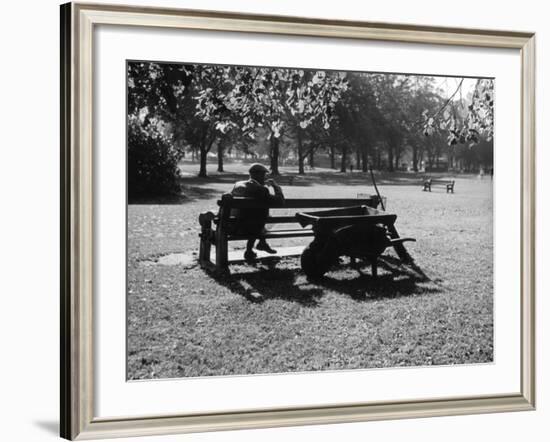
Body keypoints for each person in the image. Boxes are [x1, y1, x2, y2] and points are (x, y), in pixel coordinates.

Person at [230, 163, 285, 261]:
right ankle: (261, 244)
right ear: (259, 175)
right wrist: (276, 186)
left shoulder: (238, 185)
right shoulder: (261, 190)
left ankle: (255, 247)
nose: (265, 177)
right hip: (250, 229)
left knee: (256, 215)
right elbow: (280, 202)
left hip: (234, 227)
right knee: (260, 218)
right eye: (264, 175)